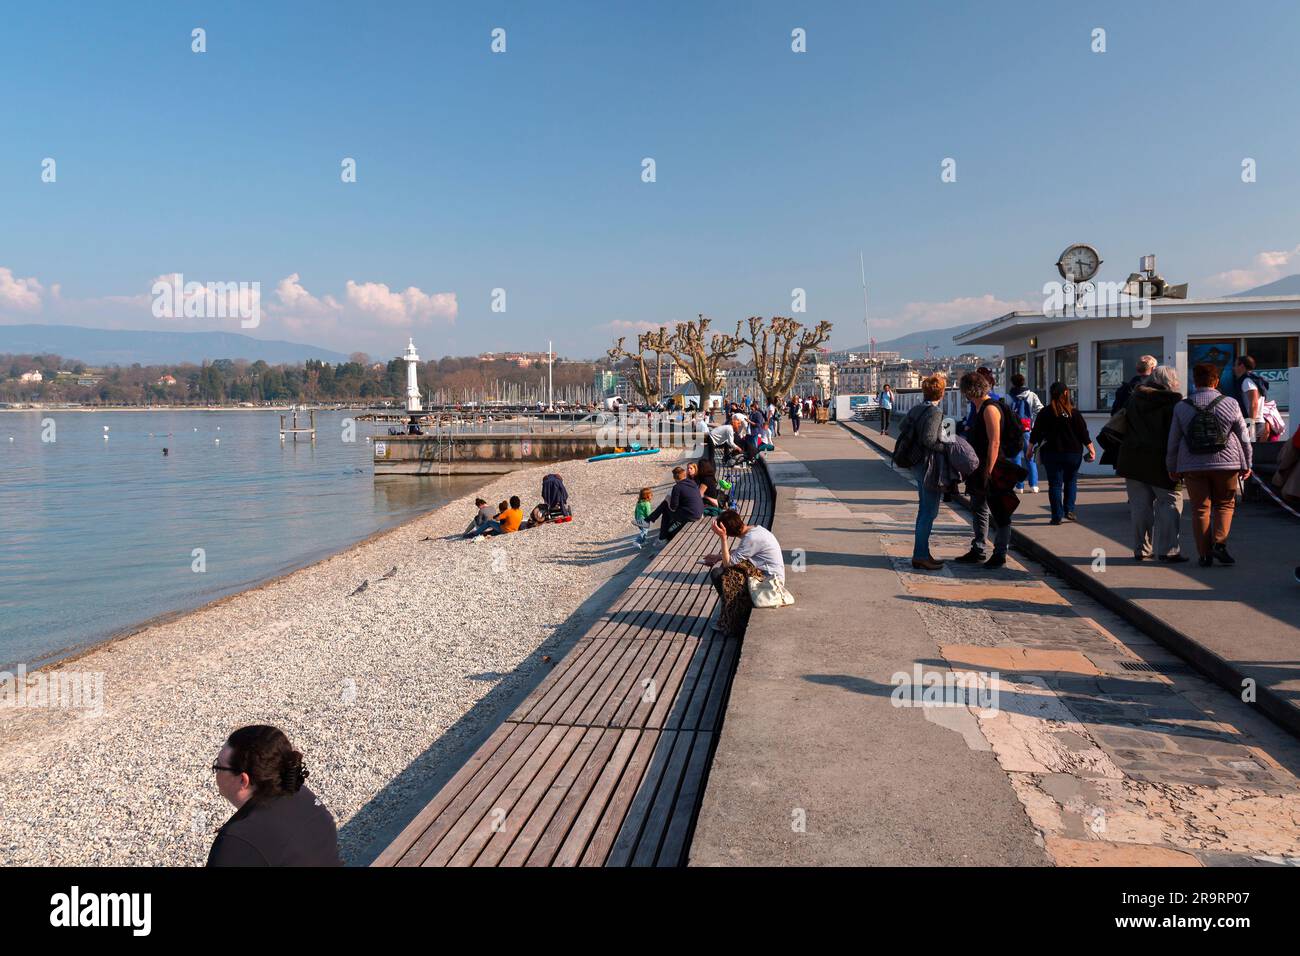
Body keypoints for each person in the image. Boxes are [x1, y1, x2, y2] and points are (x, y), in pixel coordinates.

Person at [208, 725, 341, 867]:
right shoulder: (301, 793)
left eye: (218, 767)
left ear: (243, 780)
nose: (216, 772)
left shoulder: (237, 841)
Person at [1167, 362, 1252, 568]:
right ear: (1216, 380)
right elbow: (1243, 436)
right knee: (1224, 504)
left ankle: (1204, 555)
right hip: (1227, 463)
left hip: (1192, 464)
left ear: (1195, 381)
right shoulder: (1230, 403)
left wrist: (1172, 466)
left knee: (1199, 509)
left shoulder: (1182, 406)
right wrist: (1248, 462)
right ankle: (1220, 544)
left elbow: (1174, 440)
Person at [1116, 365, 1186, 562]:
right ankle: (1168, 550)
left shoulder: (1133, 399)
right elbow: (1176, 435)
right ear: (1170, 382)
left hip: (1133, 460)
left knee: (1140, 508)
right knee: (1170, 503)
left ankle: (1141, 549)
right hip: (1161, 461)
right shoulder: (1174, 403)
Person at [954, 371, 1014, 569]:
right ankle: (978, 548)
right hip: (979, 468)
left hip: (992, 468)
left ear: (970, 391)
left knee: (1000, 511)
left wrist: (988, 471)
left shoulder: (989, 409)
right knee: (978, 508)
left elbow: (994, 442)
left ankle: (1000, 553)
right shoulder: (979, 408)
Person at [702, 509, 784, 637]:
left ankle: (736, 620)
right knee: (724, 568)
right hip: (767, 575)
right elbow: (742, 551)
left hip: (769, 583)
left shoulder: (751, 538)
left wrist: (723, 538)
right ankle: (734, 614)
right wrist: (718, 557)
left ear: (729, 532)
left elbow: (729, 562)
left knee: (718, 574)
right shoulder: (755, 530)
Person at [1030, 382, 1095, 525]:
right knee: (1071, 481)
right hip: (1073, 453)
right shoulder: (1074, 413)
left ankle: (1056, 516)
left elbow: (1036, 433)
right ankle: (1069, 510)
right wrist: (1091, 449)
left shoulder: (1045, 413)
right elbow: (1083, 433)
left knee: (1055, 485)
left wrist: (1029, 449)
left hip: (1051, 453)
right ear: (1066, 393)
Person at [903, 374, 949, 570]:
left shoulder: (916, 408)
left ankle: (922, 552)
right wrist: (946, 447)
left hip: (916, 464)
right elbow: (930, 439)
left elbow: (903, 426)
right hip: (928, 465)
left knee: (924, 510)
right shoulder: (935, 411)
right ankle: (920, 555)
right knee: (929, 512)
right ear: (942, 392)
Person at [646, 465, 704, 544]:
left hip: (691, 515)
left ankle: (661, 537)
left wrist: (668, 499)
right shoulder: (692, 483)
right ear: (685, 475)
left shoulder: (677, 487)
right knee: (666, 504)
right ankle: (649, 520)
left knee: (666, 508)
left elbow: (673, 508)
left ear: (675, 478)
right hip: (699, 512)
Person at [1007, 373, 1043, 493]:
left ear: (1012, 383)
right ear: (1024, 382)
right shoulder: (1031, 395)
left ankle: (1019, 486)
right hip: (1028, 430)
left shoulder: (1009, 396)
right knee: (1030, 457)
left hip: (1013, 432)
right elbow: (1040, 410)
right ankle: (1034, 485)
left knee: (1015, 459)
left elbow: (1005, 414)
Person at [1231, 354, 1268, 442]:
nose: (1234, 368)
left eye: (1236, 365)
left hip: (1254, 423)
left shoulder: (1247, 381)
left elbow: (1254, 403)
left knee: (1251, 452)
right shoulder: (1253, 379)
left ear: (1242, 366)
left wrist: (1250, 425)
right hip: (1256, 422)